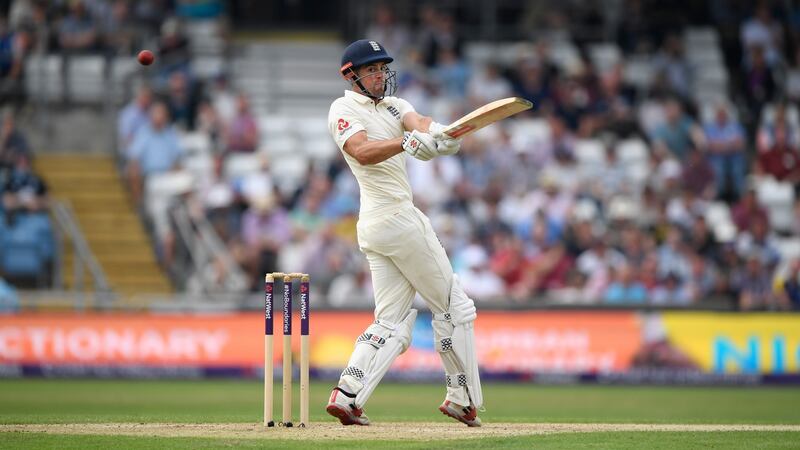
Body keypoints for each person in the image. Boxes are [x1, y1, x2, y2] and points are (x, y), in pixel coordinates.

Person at [325, 39, 482, 427]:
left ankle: (348, 395)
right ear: (352, 75)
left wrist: (442, 134)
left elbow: (420, 123)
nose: (381, 75)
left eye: (383, 68)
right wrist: (405, 142)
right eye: (372, 70)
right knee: (455, 308)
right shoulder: (343, 109)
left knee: (391, 320)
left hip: (378, 228)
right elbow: (361, 150)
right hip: (394, 218)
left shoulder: (396, 105)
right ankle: (461, 398)